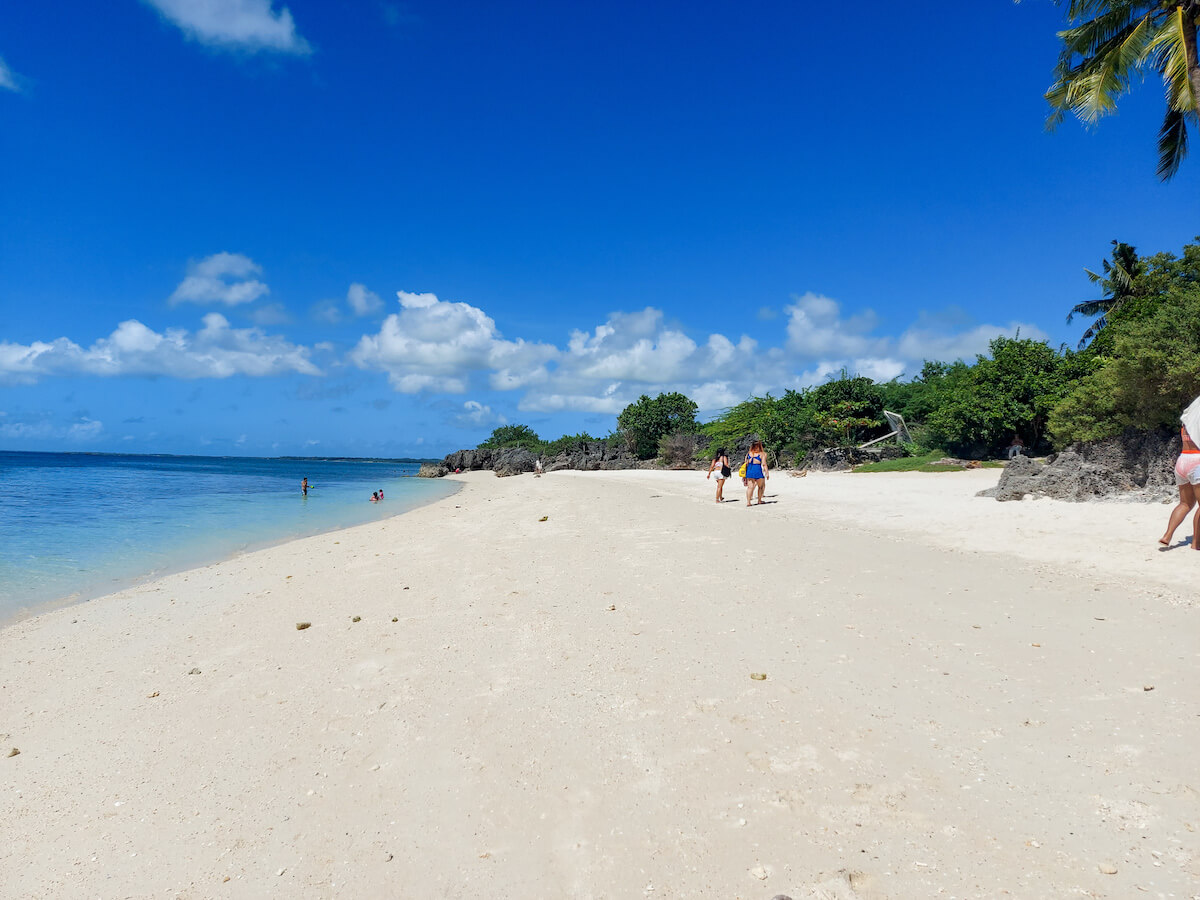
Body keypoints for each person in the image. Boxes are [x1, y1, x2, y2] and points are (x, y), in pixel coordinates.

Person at [1160, 395, 1200, 549]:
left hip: (1183, 460)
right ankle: (1196, 543)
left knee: (1185, 503)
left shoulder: (1187, 424)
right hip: (1197, 461)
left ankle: (1167, 535)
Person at [743, 440, 769, 506]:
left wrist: (744, 474)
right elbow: (764, 464)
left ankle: (748, 502)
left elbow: (746, 463)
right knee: (760, 486)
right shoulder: (762, 454)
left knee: (750, 487)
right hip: (757, 470)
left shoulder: (749, 453)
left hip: (750, 470)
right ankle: (759, 500)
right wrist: (767, 472)